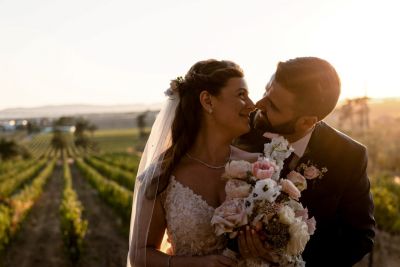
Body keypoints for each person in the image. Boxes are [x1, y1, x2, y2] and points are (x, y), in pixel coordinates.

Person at [235, 57, 375, 267]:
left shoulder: (348, 156)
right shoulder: (239, 130)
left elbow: (360, 237)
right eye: (266, 91)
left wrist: (289, 260)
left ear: (308, 121)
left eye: (273, 105)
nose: (258, 104)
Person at [128, 59, 258, 267]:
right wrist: (192, 264)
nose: (252, 105)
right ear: (208, 101)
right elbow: (139, 255)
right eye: (241, 95)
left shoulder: (260, 169)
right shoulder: (162, 175)